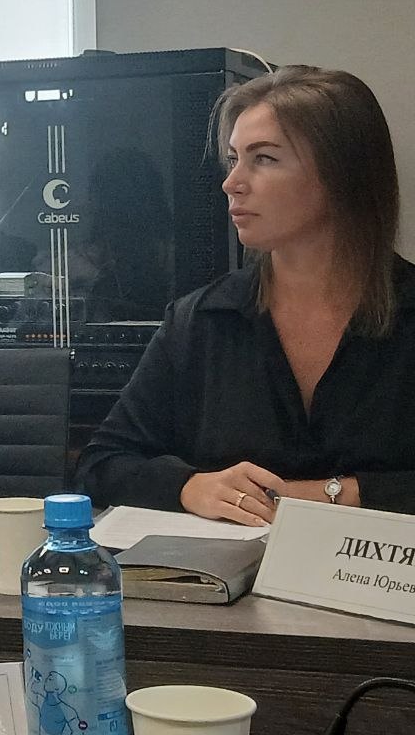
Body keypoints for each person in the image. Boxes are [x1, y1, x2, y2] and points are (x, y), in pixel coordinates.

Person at [76, 65, 415, 521]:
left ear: (343, 175)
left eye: (265, 159)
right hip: (229, 565)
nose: (231, 182)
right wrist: (190, 486)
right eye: (234, 158)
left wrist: (332, 494)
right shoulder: (200, 319)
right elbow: (102, 464)